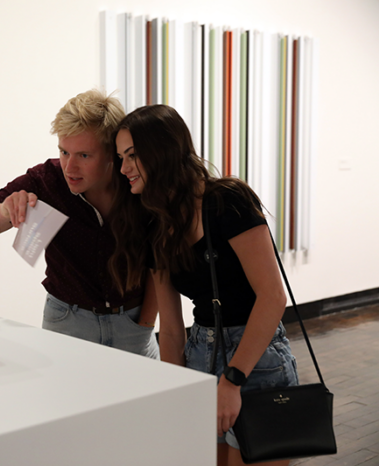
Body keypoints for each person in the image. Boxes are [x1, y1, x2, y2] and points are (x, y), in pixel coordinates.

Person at [110, 104, 298, 466]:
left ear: (162, 151)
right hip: (200, 354)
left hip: (256, 360)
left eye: (132, 156)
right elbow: (172, 327)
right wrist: (175, 391)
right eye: (121, 157)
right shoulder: (157, 222)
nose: (124, 169)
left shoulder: (228, 202)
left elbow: (272, 297)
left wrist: (232, 380)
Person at [0, 89, 159, 359]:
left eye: (84, 155)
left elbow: (159, 260)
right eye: (63, 152)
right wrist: (7, 209)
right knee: (64, 401)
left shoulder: (137, 182)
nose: (69, 167)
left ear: (112, 154)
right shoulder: (46, 179)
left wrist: (146, 322)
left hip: (133, 324)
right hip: (66, 323)